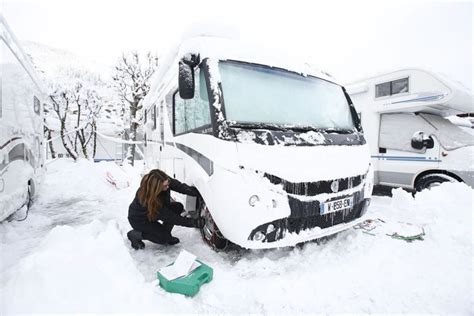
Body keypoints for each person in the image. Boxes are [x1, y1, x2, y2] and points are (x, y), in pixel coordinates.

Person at [127, 169, 204, 250]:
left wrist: (195, 192)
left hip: (153, 214)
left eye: (168, 184)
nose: (168, 187)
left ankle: (164, 234)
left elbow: (179, 186)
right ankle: (134, 235)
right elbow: (171, 217)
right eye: (165, 186)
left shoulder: (163, 179)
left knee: (177, 207)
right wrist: (194, 223)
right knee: (163, 239)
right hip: (140, 220)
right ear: (156, 188)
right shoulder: (149, 199)